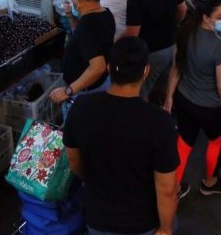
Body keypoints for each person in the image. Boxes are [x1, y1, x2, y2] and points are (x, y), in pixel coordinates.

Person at [64, 37, 179, 235]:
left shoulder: (81, 108)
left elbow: (74, 162)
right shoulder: (160, 122)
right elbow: (167, 188)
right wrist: (166, 230)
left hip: (96, 218)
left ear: (109, 68)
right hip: (142, 223)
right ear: (145, 71)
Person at [164, 0, 221, 199]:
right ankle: (210, 182)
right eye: (220, 16)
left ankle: (174, 187)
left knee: (184, 142)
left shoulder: (186, 34)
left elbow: (176, 68)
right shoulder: (220, 47)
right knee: (215, 142)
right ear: (205, 18)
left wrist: (170, 97)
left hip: (184, 101)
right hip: (210, 109)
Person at [124, 0, 187, 102]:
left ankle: (145, 119)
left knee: (141, 91)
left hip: (151, 52)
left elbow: (133, 34)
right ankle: (164, 111)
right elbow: (182, 9)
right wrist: (174, 23)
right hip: (171, 46)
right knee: (165, 87)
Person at [51, 0, 115, 107]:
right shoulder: (105, 14)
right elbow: (80, 36)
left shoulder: (88, 25)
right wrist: (70, 15)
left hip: (85, 93)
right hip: (99, 85)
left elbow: (98, 67)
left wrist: (68, 91)